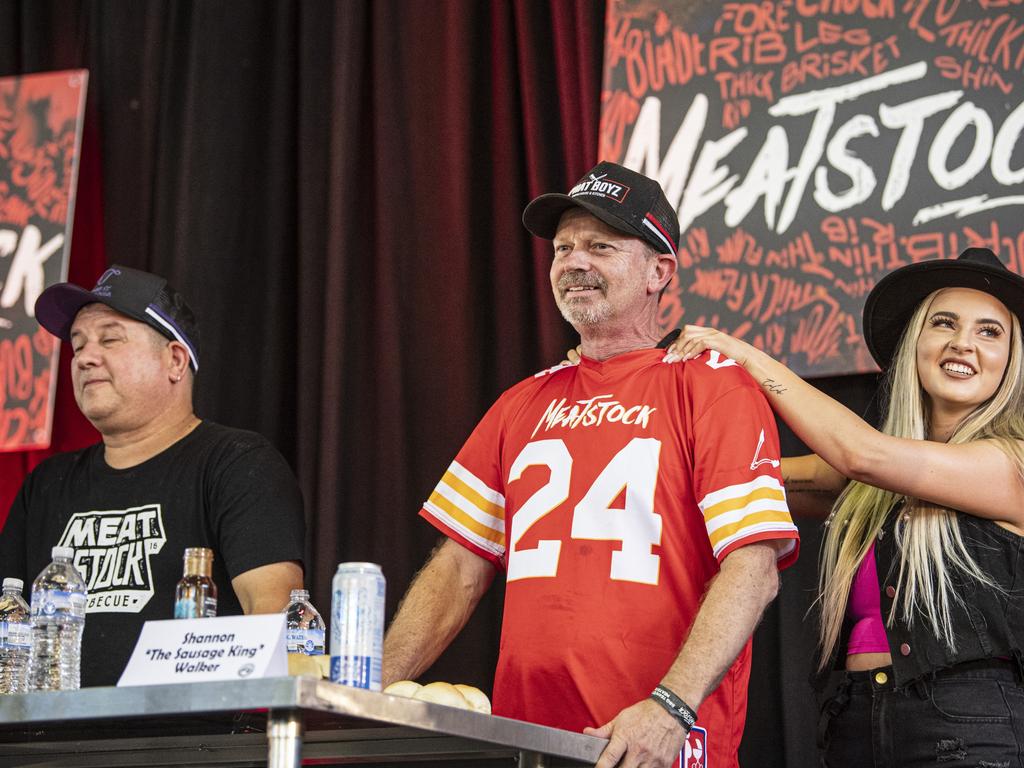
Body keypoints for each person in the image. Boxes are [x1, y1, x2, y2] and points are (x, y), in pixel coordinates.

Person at [382, 162, 800, 768]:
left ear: (660, 270)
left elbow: (754, 569)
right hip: (527, 743)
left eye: (600, 246)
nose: (574, 262)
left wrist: (670, 708)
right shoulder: (519, 402)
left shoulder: (713, 386)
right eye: (563, 248)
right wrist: (362, 690)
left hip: (655, 743)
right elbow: (458, 567)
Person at [669, 247, 1024, 767]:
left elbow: (862, 454)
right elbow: (746, 475)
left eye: (989, 331)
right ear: (914, 344)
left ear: (1013, 361)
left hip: (970, 722)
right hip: (852, 717)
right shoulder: (870, 485)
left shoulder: (1012, 462)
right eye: (943, 323)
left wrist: (745, 355)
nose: (962, 343)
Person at [0, 265, 306, 687]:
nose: (86, 357)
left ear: (175, 361)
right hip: (46, 748)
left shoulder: (236, 463)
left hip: (186, 744)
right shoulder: (46, 484)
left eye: (110, 339)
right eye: (78, 344)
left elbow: (274, 613)